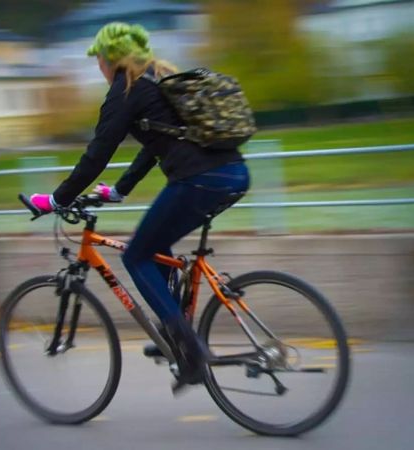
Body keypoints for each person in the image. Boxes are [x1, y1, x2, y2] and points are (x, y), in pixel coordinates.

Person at [29, 22, 250, 387]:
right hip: (233, 174)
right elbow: (155, 146)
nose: (98, 68)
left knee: (135, 256)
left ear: (109, 59)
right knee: (156, 247)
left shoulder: (126, 90)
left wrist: (56, 199)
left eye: (98, 60)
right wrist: (119, 191)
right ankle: (175, 335)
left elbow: (97, 153)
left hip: (199, 180)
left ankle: (190, 349)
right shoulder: (158, 79)